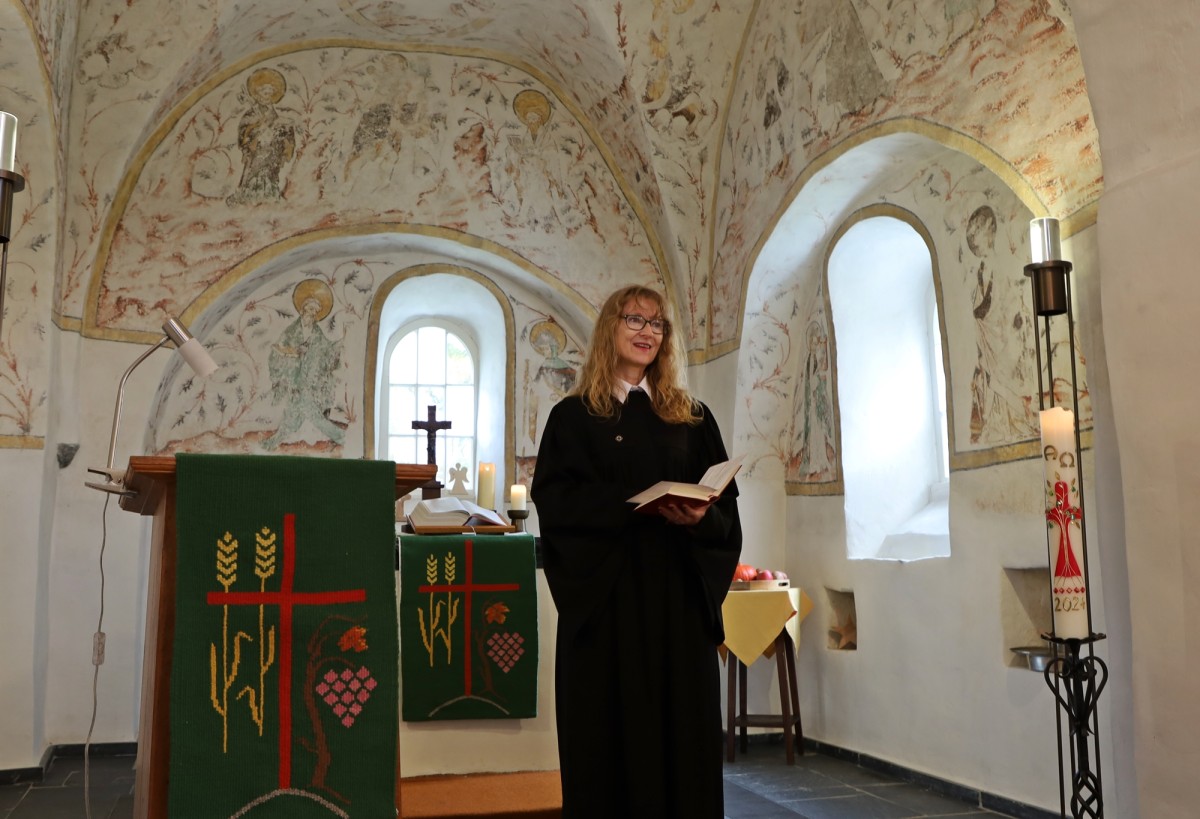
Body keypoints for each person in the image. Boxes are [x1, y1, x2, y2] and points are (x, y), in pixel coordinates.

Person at [531, 285, 742, 818]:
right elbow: (557, 503)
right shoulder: (574, 418)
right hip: (608, 607)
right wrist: (630, 505)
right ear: (610, 329)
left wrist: (701, 518)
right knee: (609, 743)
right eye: (635, 320)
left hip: (677, 604)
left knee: (682, 740)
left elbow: (726, 514)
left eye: (657, 324)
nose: (648, 331)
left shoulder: (691, 417)